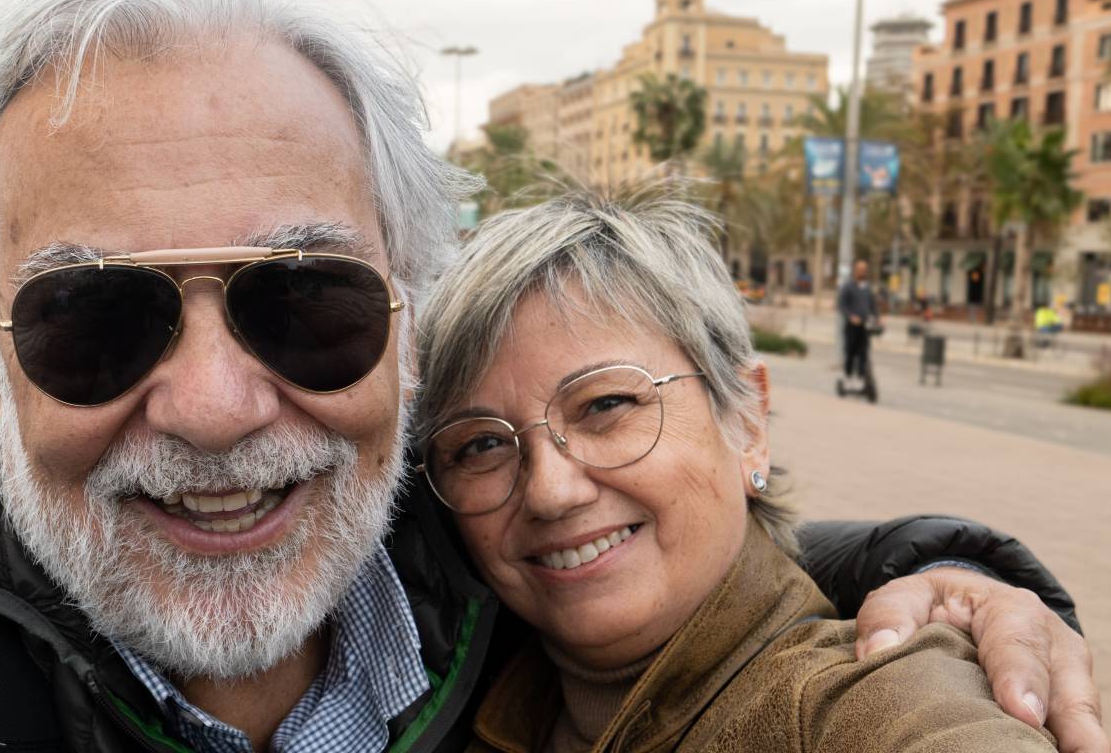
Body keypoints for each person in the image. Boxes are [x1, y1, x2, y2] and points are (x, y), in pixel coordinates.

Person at [0, 0, 1109, 752]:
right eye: (95, 320)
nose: (222, 407)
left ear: (408, 330)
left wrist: (929, 564)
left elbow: (663, 570)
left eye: (307, 303)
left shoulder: (483, 594)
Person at [418, 191, 1052, 751]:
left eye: (607, 405)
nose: (550, 491)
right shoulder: (455, 694)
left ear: (747, 421)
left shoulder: (857, 698)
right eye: (479, 447)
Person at [838, 259, 878, 387]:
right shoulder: (847, 286)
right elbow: (842, 305)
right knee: (850, 352)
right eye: (860, 269)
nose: (862, 272)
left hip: (865, 326)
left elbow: (873, 305)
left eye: (864, 270)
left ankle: (860, 378)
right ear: (855, 270)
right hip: (852, 327)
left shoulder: (867, 287)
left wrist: (877, 317)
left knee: (863, 353)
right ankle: (848, 376)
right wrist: (850, 317)